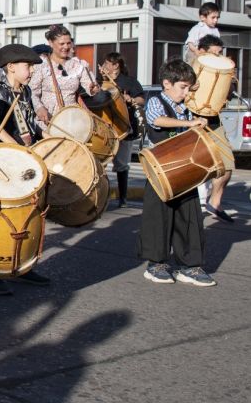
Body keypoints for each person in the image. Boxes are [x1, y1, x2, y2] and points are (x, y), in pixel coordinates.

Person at [0, 44, 50, 295]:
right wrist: (15, 147)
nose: (31, 70)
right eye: (27, 65)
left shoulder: (25, 91)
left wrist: (48, 136)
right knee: (1, 219)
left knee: (26, 215)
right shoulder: (2, 92)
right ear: (11, 67)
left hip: (26, 159)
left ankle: (22, 265)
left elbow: (29, 124)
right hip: (8, 162)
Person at [138, 58, 215, 287]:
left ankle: (190, 265)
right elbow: (156, 120)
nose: (185, 92)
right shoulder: (156, 101)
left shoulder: (188, 105)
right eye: (182, 87)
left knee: (190, 217)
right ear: (166, 83)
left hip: (186, 169)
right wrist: (190, 124)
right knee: (158, 217)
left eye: (188, 87)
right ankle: (157, 264)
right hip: (160, 169)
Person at [193, 34, 234, 223]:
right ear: (201, 52)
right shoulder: (189, 70)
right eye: (214, 54)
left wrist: (229, 81)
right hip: (192, 119)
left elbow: (226, 95)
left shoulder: (221, 70)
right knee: (194, 166)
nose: (219, 58)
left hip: (214, 120)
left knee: (227, 166)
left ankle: (214, 203)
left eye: (220, 54)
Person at [29, 25, 99, 131]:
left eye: (68, 43)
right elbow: (32, 93)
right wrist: (39, 108)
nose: (66, 47)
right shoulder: (41, 65)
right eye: (62, 43)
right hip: (48, 121)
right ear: (51, 43)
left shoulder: (78, 65)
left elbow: (89, 86)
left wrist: (93, 89)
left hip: (72, 120)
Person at [98, 52, 144, 208]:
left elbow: (141, 99)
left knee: (122, 164)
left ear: (115, 65)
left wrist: (130, 99)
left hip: (124, 127)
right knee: (100, 164)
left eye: (106, 63)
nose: (104, 66)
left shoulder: (129, 82)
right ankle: (100, 196)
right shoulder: (100, 81)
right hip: (104, 128)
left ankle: (122, 198)